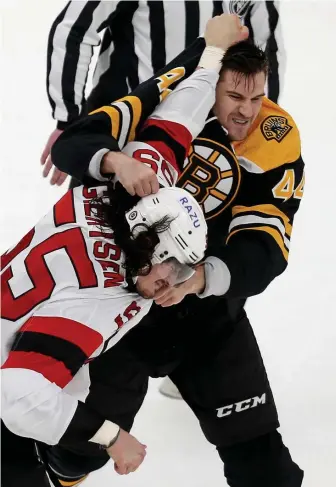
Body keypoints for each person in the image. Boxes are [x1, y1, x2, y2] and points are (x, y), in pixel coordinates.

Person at [50, 13, 305, 487]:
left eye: (257, 97)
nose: (246, 112)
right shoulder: (169, 101)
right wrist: (116, 160)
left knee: (264, 463)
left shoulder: (276, 136)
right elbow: (76, 142)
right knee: (75, 455)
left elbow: (266, 245)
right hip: (120, 309)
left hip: (205, 318)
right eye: (234, 95)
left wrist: (202, 279)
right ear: (210, 85)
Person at [1, 14, 248, 487]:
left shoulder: (129, 190)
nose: (169, 284)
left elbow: (181, 113)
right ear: (147, 244)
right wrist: (113, 437)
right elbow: (17, 392)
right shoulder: (97, 296)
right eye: (170, 269)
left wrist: (212, 51)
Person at [41, 0, 285, 186]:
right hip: (125, 132)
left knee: (190, 243)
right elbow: (74, 31)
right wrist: (69, 119)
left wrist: (253, 131)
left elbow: (266, 49)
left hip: (208, 139)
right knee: (96, 236)